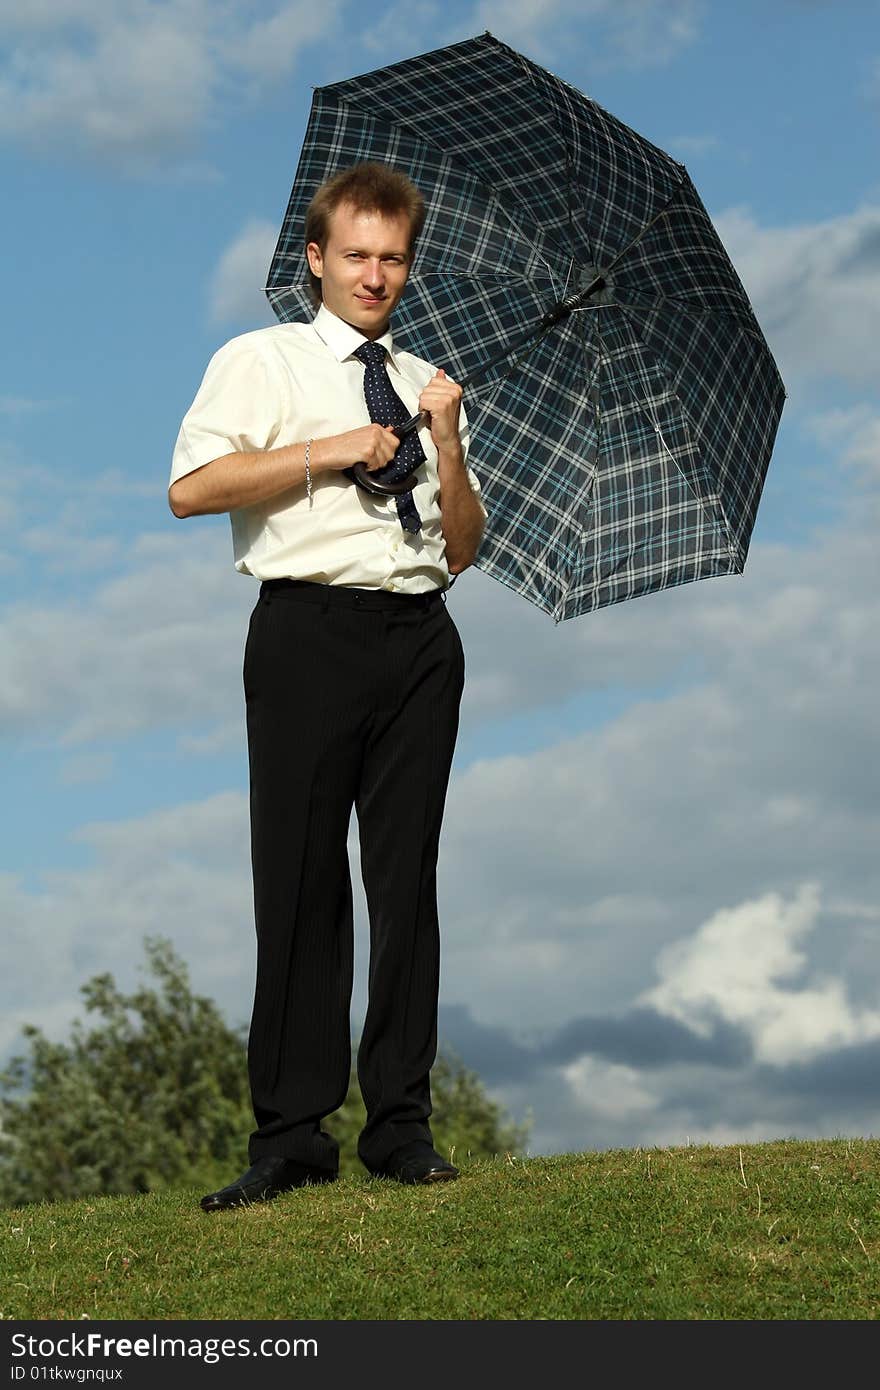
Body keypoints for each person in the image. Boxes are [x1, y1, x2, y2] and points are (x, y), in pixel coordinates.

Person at [168, 162, 486, 1210]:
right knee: (299, 877)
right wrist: (331, 449)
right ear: (316, 257)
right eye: (356, 254)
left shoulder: (430, 378)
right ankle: (291, 1134)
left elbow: (464, 548)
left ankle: (400, 1126)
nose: (375, 274)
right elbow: (191, 487)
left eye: (393, 258)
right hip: (306, 630)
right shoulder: (260, 361)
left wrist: (442, 442)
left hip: (420, 635)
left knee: (407, 883)